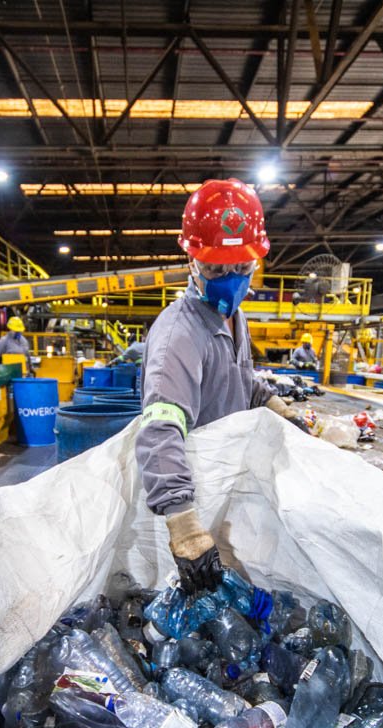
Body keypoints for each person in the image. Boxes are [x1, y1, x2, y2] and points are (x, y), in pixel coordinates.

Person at [138, 178, 308, 595]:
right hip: (192, 488)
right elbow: (160, 428)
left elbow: (239, 378)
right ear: (192, 262)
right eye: (216, 269)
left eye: (241, 268)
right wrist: (183, 524)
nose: (230, 280)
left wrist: (274, 405)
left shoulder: (235, 317)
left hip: (230, 479)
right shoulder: (179, 336)